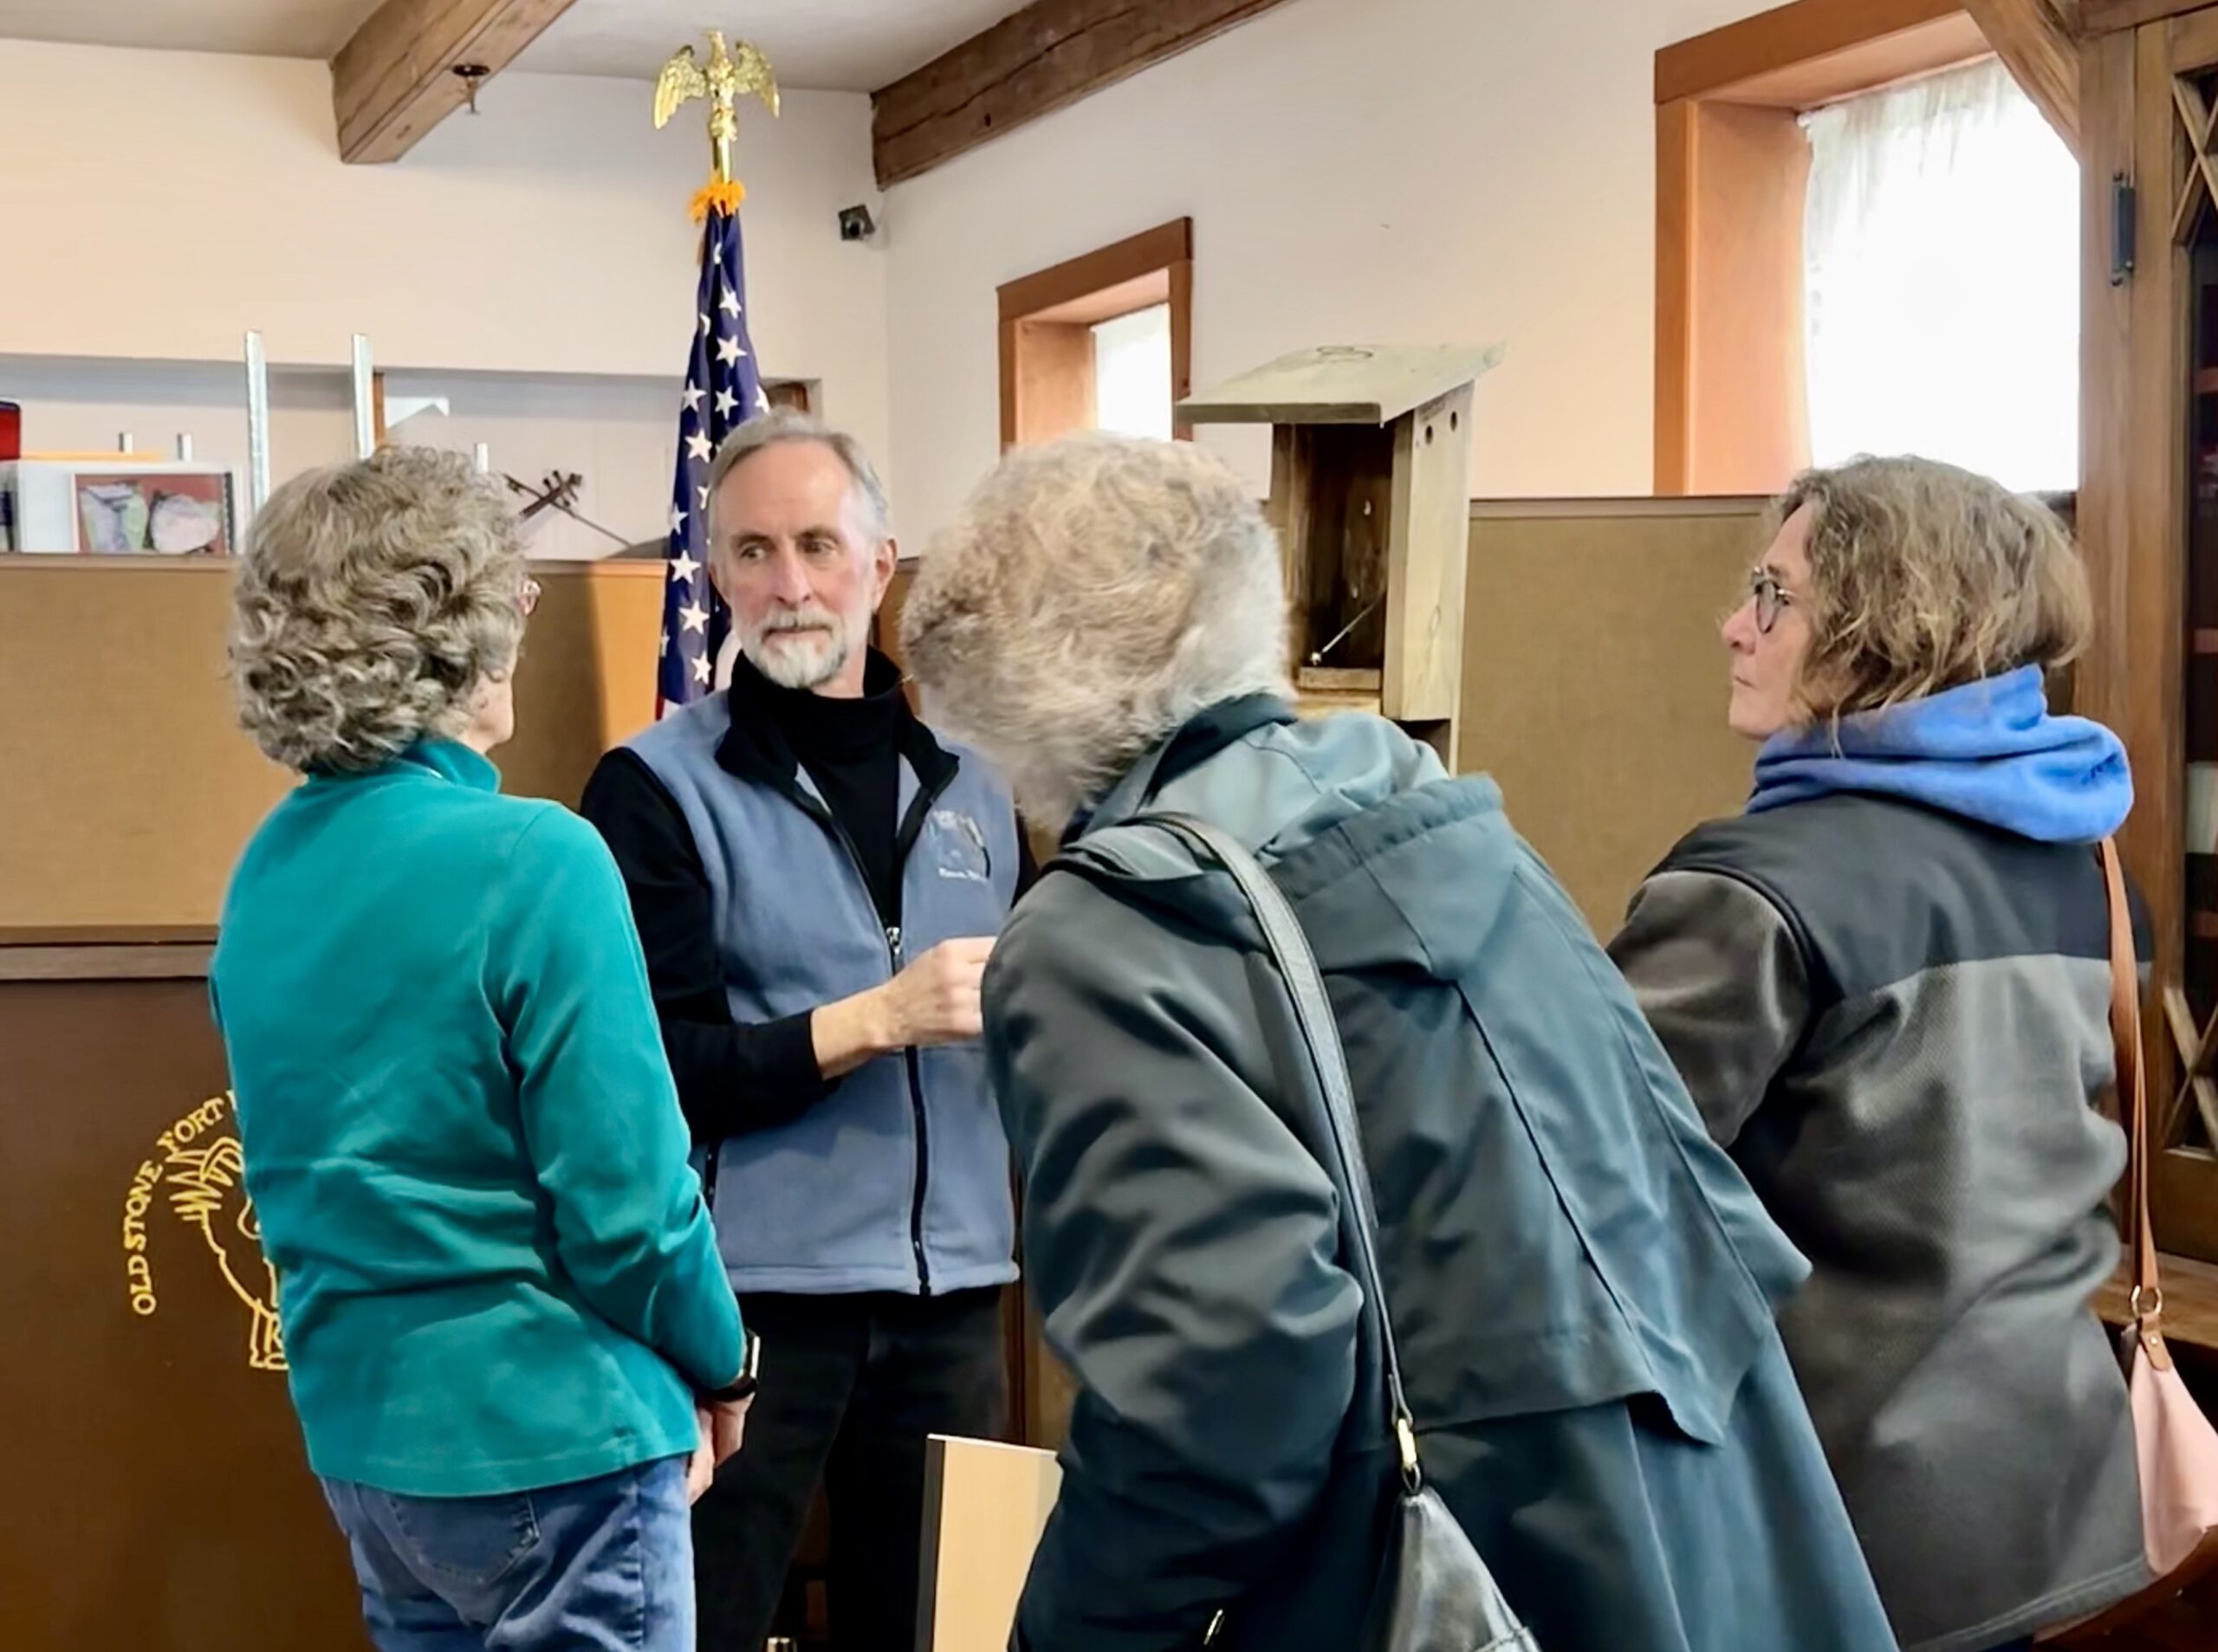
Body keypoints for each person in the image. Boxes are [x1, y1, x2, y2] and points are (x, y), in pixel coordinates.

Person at [896, 430, 1897, 1652]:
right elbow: (1677, 1177)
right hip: (1713, 1507)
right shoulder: (1436, 808)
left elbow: (1220, 1392)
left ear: (999, 701)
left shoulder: (1101, 935)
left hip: (1445, 1572)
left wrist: (1068, 1632)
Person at [211, 446, 754, 1652]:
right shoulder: (536, 859)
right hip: (559, 1443)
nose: (524, 613)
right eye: (511, 588)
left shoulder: (266, 875)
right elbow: (630, 1216)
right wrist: (730, 1363)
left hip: (372, 1457)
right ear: (449, 632)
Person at [1607, 456, 2148, 1652]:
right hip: (2067, 1514)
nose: (1733, 625)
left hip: (1838, 1546)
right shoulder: (2096, 871)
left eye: (1774, 595)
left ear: (1880, 630)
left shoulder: (1750, 895)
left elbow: (1579, 1199)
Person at [580, 411, 1024, 1652]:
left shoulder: (982, 789)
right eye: (755, 551)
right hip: (748, 1314)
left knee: (950, 1629)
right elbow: (662, 1077)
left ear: (881, 566)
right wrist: (875, 1020)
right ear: (715, 574)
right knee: (710, 1626)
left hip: (957, 1302)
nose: (789, 585)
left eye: (820, 545)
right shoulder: (651, 789)